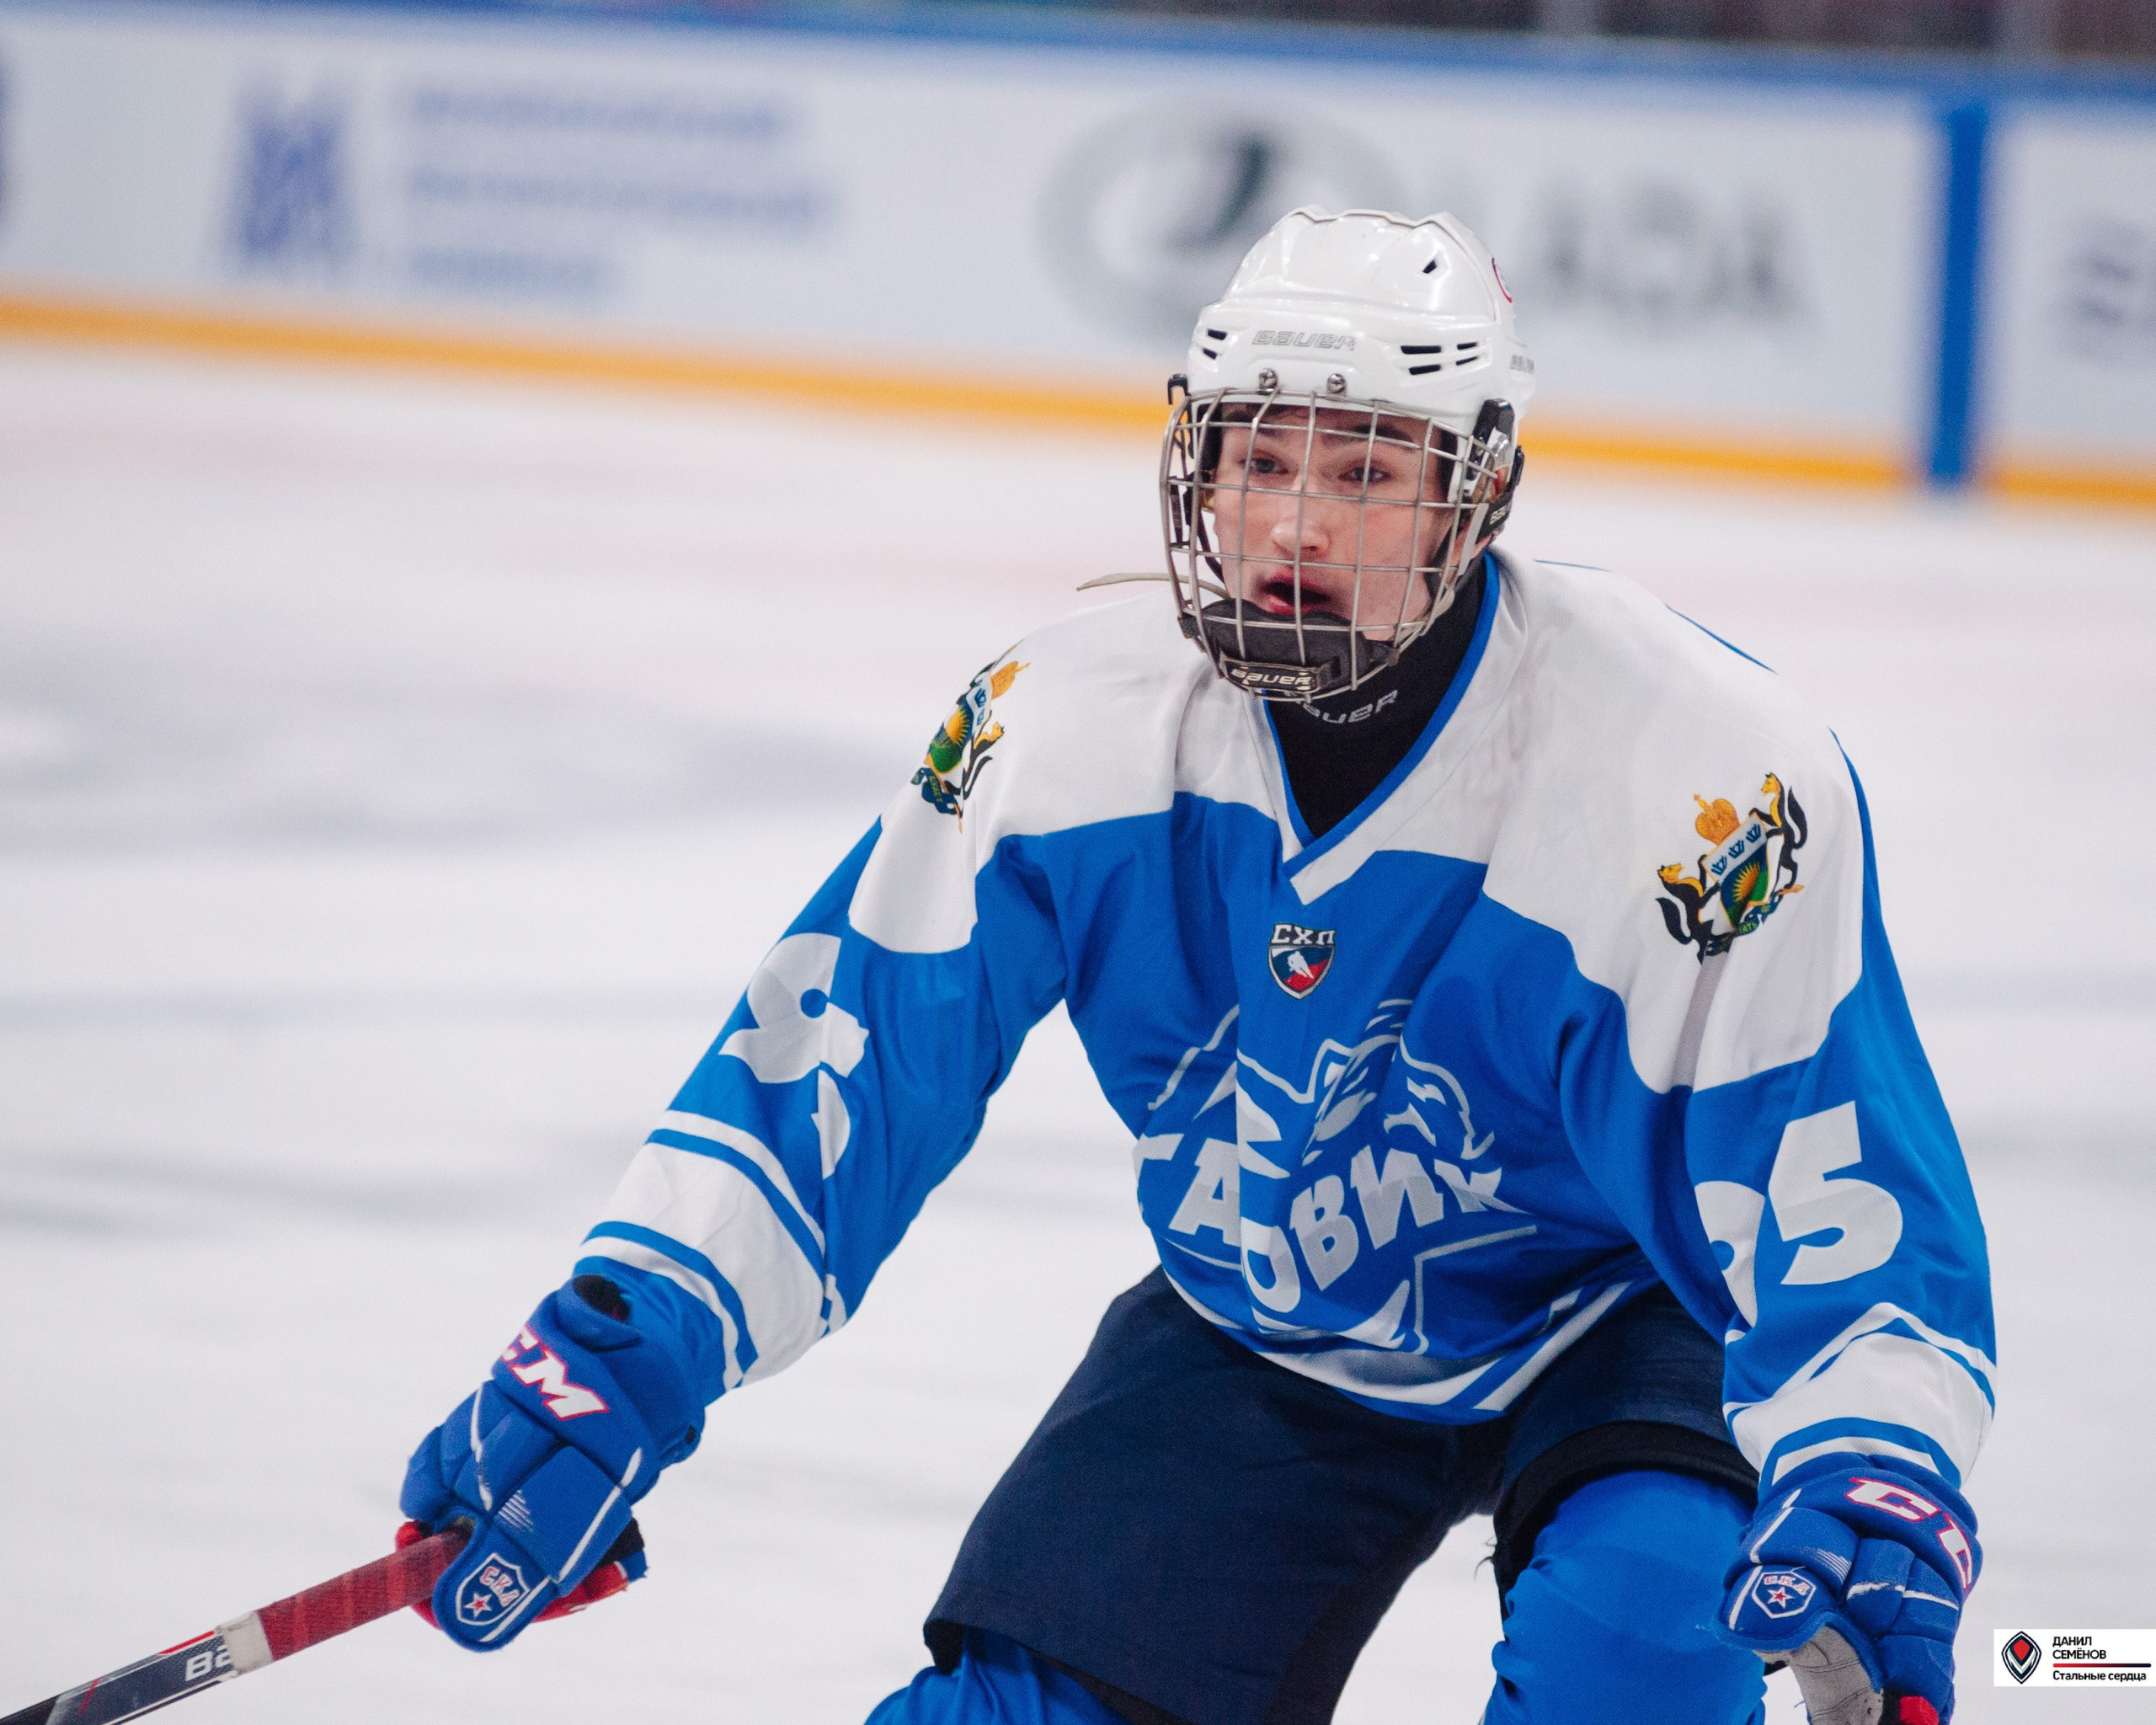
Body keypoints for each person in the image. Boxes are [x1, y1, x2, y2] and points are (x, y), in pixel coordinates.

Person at [398, 209, 1995, 1725]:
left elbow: (1832, 1175)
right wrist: (621, 1342)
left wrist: (1874, 1456)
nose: (1297, 522)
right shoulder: (1069, 729)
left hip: (1629, 1308)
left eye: (1368, 469)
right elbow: (842, 1067)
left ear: (1478, 493)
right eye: (1260, 459)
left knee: (1641, 1647)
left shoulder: (1693, 780)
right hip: (1269, 1311)